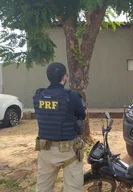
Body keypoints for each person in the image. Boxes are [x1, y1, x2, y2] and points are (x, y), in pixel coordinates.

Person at [33, 62, 86, 192]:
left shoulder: (38, 96)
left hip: (45, 151)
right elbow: (82, 115)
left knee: (43, 188)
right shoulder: (72, 96)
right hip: (68, 152)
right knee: (73, 189)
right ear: (64, 77)